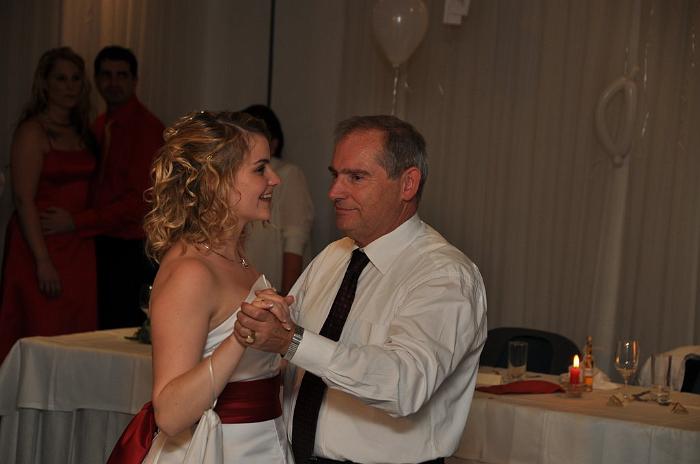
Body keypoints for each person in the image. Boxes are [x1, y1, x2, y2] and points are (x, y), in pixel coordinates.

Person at [235, 115, 488, 464]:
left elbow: (403, 386)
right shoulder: (334, 256)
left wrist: (290, 341)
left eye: (356, 177)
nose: (334, 192)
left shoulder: (444, 275)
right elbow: (287, 355)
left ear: (408, 184)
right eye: (335, 175)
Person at [109, 111, 292, 463]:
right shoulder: (192, 271)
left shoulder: (237, 256)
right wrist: (241, 338)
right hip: (216, 450)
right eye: (260, 169)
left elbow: (253, 372)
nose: (275, 179)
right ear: (216, 181)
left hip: (262, 442)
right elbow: (170, 414)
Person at [40, 45, 165, 329]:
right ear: (96, 80)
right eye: (106, 75)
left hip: (131, 248)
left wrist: (76, 221)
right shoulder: (97, 125)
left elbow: (139, 202)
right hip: (97, 243)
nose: (113, 82)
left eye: (122, 75)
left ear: (135, 80)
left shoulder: (146, 129)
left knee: (120, 330)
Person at [0, 47, 98, 361]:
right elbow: (23, 199)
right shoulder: (33, 131)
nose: (69, 86)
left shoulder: (84, 132)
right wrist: (42, 260)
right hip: (38, 244)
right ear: (45, 84)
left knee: (77, 333)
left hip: (77, 246)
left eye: (75, 79)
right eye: (61, 79)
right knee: (41, 329)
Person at [242, 104, 314, 294]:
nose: (274, 180)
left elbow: (295, 240)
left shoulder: (289, 174)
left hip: (274, 288)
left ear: (274, 143)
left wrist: (286, 297)